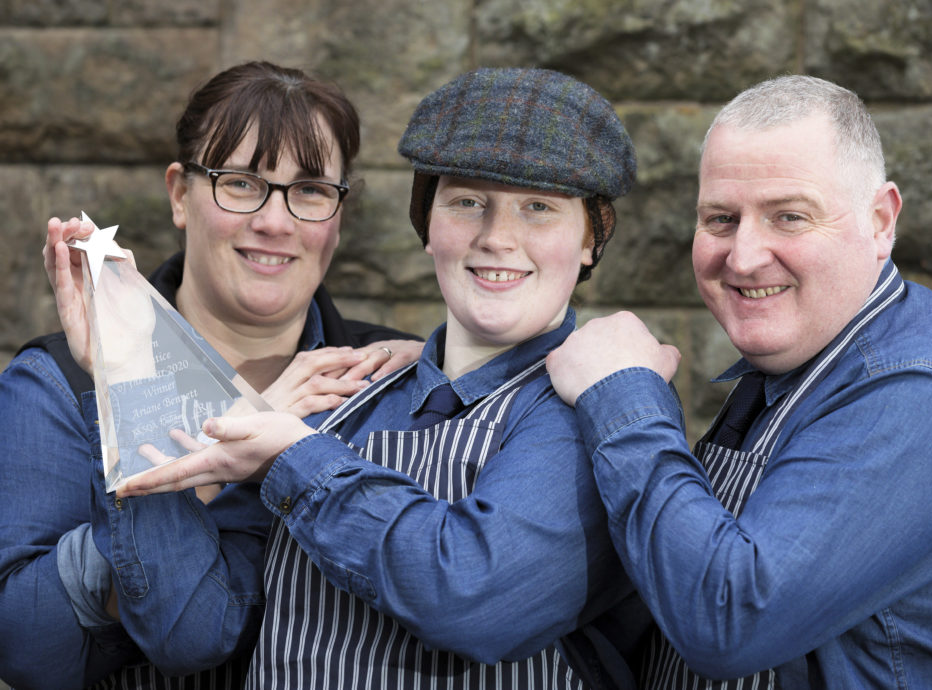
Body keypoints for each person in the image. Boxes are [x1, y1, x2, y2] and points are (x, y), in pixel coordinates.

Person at [76, 66, 653, 689]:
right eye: (467, 202)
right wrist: (130, 374)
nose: (497, 239)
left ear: (591, 238)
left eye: (539, 208)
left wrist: (298, 457)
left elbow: (475, 600)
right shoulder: (343, 391)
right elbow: (187, 628)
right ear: (426, 224)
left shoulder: (602, 413)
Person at [545, 74, 932, 688]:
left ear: (880, 221)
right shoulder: (802, 361)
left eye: (789, 217)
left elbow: (729, 620)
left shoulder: (918, 393)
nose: (743, 257)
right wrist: (452, 365)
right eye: (721, 218)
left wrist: (623, 397)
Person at [0, 61, 422, 689]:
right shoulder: (59, 382)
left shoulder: (392, 380)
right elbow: (24, 643)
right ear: (179, 195)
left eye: (309, 190)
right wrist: (223, 443)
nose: (275, 222)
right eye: (242, 183)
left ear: (338, 216)